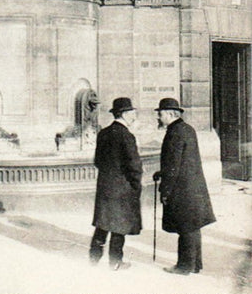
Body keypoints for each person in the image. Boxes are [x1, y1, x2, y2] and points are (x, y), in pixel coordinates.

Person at [152, 97, 215, 275]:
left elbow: (174, 165)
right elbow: (180, 161)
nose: (158, 117)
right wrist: (161, 173)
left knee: (185, 227)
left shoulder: (174, 132)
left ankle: (184, 266)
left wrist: (165, 190)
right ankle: (195, 265)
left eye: (161, 113)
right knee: (193, 226)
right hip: (193, 187)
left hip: (181, 189)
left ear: (171, 114)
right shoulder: (187, 129)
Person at [89, 97, 142, 270]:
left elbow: (97, 161)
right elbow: (134, 166)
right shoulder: (127, 136)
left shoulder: (103, 133)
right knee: (119, 227)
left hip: (105, 187)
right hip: (123, 189)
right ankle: (115, 263)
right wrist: (136, 185)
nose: (134, 115)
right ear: (124, 114)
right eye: (132, 112)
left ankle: (93, 260)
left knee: (102, 225)